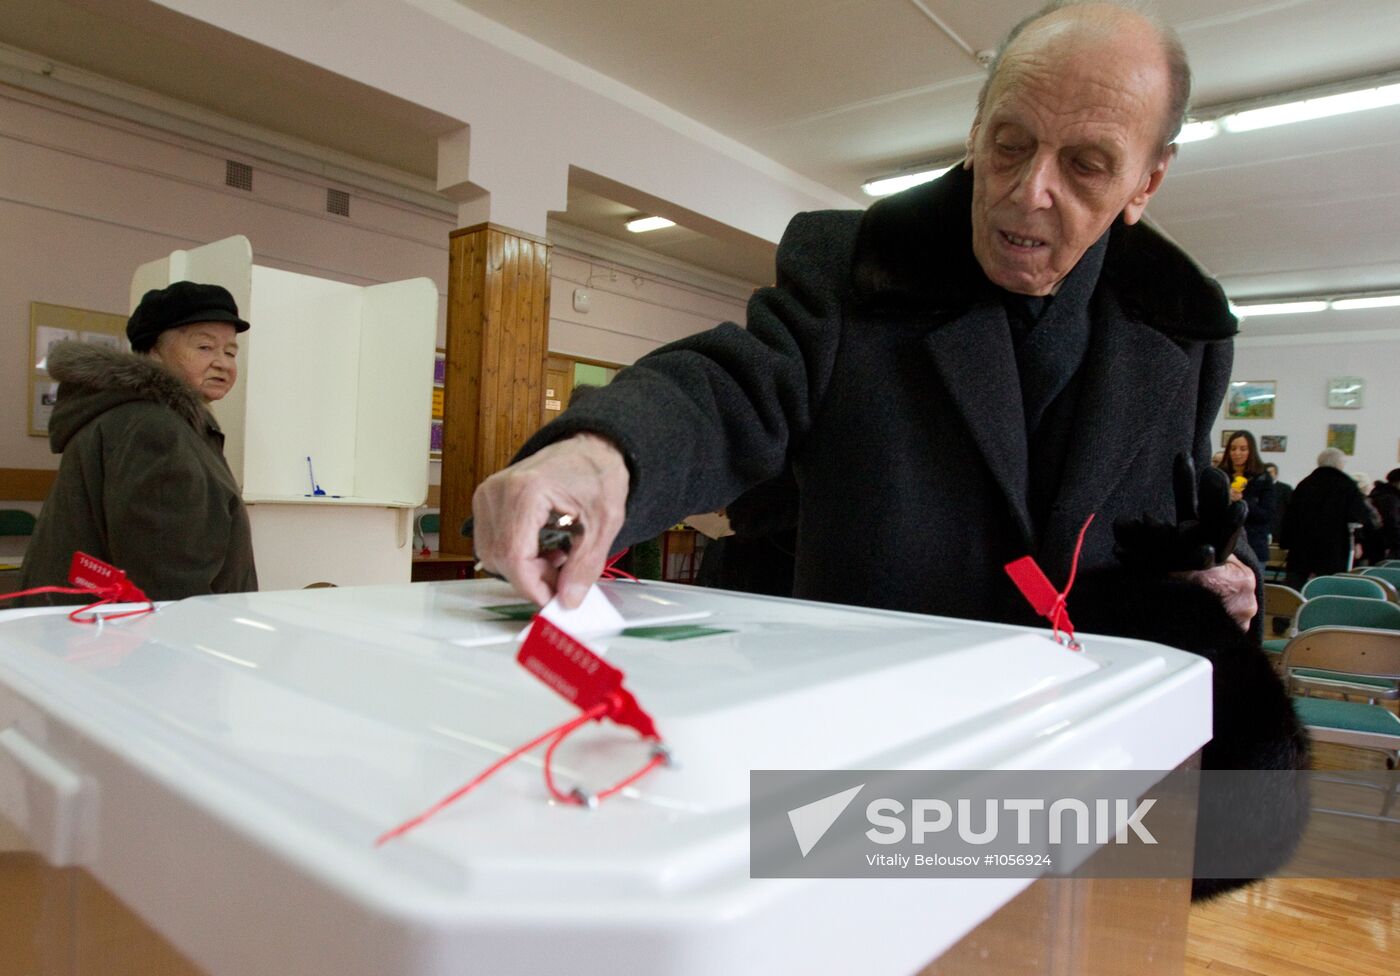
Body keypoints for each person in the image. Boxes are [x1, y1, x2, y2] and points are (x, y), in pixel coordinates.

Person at [471, 0, 1256, 633]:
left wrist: (1225, 575)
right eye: (1010, 144)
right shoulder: (862, 268)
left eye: (1086, 164)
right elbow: (732, 390)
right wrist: (599, 459)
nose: (1028, 191)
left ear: (1146, 182)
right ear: (976, 129)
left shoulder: (1183, 334)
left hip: (1069, 750)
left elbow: (1189, 515)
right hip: (865, 739)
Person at [15, 282, 258, 604]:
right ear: (152, 351)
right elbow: (166, 580)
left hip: (88, 633)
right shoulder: (152, 428)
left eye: (230, 351)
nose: (223, 363)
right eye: (204, 347)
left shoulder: (150, 419)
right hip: (123, 641)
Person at [1278, 448, 1378, 588]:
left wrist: (1286, 543)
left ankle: (1292, 608)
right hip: (1333, 547)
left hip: (1302, 546)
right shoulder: (1347, 485)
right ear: (1339, 464)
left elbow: (1289, 516)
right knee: (1330, 586)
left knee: (1295, 586)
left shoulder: (1304, 484)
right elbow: (1358, 517)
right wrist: (1360, 541)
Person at [1217, 430, 1275, 563]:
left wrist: (1243, 501)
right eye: (1233, 449)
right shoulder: (1220, 475)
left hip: (1253, 544)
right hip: (1224, 544)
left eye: (1243, 449)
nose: (1237, 453)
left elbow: (1266, 515)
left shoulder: (1263, 478)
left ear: (1251, 451)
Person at [1264, 463, 1292, 541]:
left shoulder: (1285, 489)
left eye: (1270, 473)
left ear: (1276, 474)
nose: (1268, 475)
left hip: (1279, 526)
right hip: (1263, 527)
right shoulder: (1258, 487)